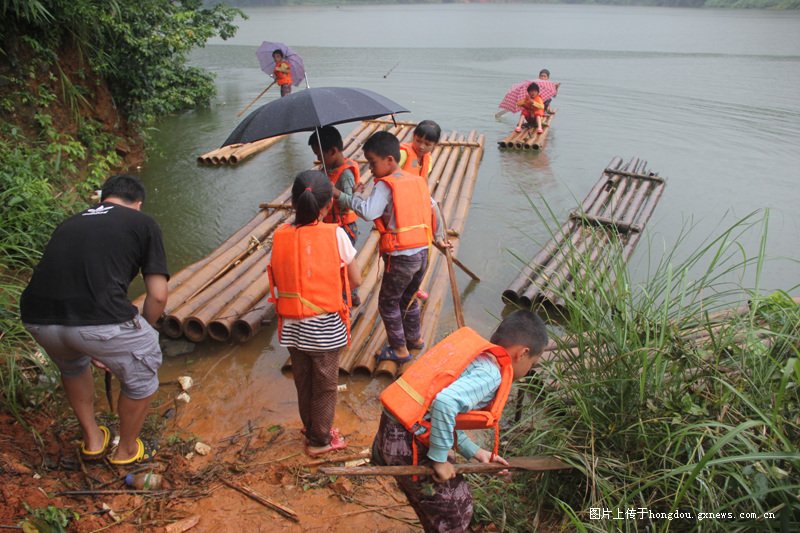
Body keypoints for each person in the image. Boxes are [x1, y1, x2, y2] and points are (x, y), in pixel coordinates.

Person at [20, 174, 169, 465]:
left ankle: (93, 440)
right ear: (137, 204)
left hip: (38, 319)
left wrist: (100, 347)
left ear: (103, 199)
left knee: (73, 367)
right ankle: (126, 451)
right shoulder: (143, 222)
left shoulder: (71, 222)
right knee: (142, 376)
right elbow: (158, 296)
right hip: (98, 321)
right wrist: (141, 334)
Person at [373, 310, 548, 532]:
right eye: (533, 363)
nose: (530, 369)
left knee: (436, 503)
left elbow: (444, 414)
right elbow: (444, 404)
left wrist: (476, 452)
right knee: (457, 511)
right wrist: (439, 459)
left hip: (391, 431)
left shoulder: (475, 356)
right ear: (522, 353)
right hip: (407, 444)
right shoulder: (490, 374)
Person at [268, 170, 362, 457]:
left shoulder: (280, 235)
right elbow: (356, 280)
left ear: (294, 203)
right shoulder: (337, 234)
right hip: (324, 328)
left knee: (304, 381)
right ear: (327, 206)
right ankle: (320, 441)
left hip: (292, 327)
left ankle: (311, 427)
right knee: (325, 386)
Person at [335, 131, 445, 363]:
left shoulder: (385, 185)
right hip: (422, 252)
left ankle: (399, 350)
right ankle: (414, 339)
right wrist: (440, 237)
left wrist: (354, 197)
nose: (371, 169)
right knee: (409, 297)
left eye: (373, 163)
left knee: (388, 302)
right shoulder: (416, 180)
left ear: (390, 160)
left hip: (402, 257)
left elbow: (368, 212)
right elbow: (434, 208)